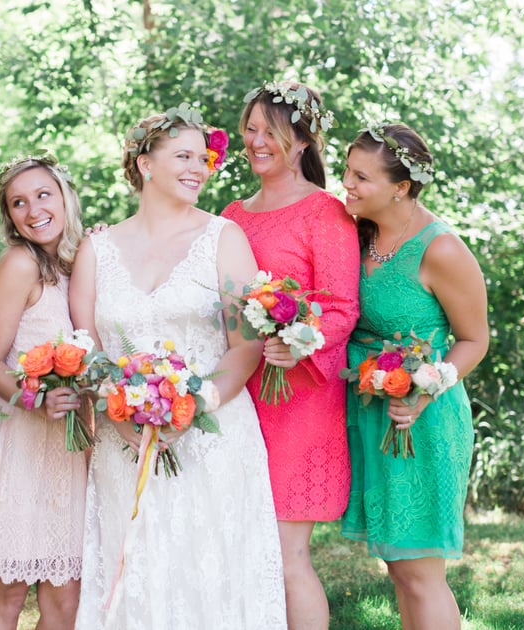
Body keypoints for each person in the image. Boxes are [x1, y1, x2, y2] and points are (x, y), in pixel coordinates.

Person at [68, 105, 287, 629]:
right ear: (144, 164)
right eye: (183, 156)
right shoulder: (96, 249)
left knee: (210, 570)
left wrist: (193, 407)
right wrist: (121, 417)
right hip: (123, 440)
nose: (200, 167)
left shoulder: (224, 238)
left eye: (204, 157)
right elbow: (87, 350)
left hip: (213, 436)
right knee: (137, 569)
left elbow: (245, 346)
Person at [220, 80, 359, 630]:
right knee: (243, 552)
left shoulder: (325, 212)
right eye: (249, 130)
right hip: (242, 398)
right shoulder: (232, 213)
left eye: (268, 131)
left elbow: (342, 306)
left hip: (300, 400)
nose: (255, 141)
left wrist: (294, 341)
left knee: (284, 556)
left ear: (302, 140)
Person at [339, 123, 489, 630]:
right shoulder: (357, 232)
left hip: (421, 419)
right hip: (370, 411)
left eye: (362, 176)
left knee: (421, 572)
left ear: (401, 186)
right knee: (401, 570)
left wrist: (426, 390)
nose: (347, 184)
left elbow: (475, 339)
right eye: (346, 170)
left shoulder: (440, 249)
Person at [0, 153, 88, 630]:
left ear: (65, 195)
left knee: (66, 598)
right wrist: (35, 399)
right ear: (9, 216)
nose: (33, 211)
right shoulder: (18, 263)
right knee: (9, 593)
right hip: (18, 443)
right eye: (18, 203)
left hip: (68, 450)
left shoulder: (79, 261)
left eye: (42, 195)